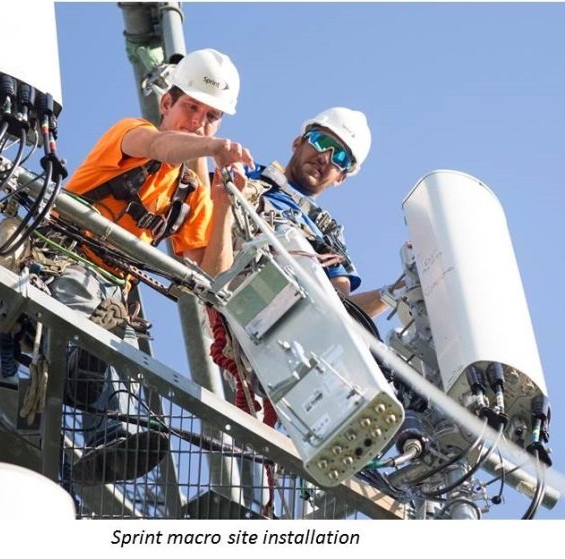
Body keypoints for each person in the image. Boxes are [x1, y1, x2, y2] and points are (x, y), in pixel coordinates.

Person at [48, 48, 254, 485]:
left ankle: (109, 438)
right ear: (167, 103)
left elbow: (211, 270)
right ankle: (77, 376)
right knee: (89, 315)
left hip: (110, 292)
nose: (198, 121)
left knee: (123, 352)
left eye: (211, 117)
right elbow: (162, 146)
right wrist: (215, 147)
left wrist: (221, 203)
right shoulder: (132, 134)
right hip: (61, 262)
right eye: (191, 107)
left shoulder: (190, 189)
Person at [242, 106, 396, 318]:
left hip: (275, 321)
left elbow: (339, 312)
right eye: (321, 142)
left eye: (339, 157)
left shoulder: (326, 235)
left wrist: (398, 292)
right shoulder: (246, 175)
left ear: (341, 177)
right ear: (298, 143)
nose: (324, 157)